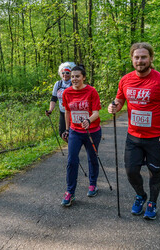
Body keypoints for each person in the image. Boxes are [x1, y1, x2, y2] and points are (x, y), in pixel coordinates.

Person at [108, 42, 160, 220]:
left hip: (156, 138)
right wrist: (114, 107)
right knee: (131, 171)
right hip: (133, 136)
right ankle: (140, 195)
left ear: (151, 58)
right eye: (137, 57)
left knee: (155, 171)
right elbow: (119, 100)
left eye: (143, 57)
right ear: (132, 59)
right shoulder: (125, 80)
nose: (140, 60)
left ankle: (152, 202)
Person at [61, 65, 102, 207]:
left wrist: (88, 120)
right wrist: (66, 130)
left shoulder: (91, 91)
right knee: (72, 160)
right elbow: (67, 111)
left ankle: (93, 184)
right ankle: (70, 192)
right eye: (72, 76)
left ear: (83, 77)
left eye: (77, 76)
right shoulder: (67, 92)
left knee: (92, 158)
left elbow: (96, 112)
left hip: (92, 131)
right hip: (75, 131)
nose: (74, 79)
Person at [45, 62, 76, 139]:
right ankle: (72, 147)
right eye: (63, 72)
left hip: (72, 113)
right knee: (62, 133)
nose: (65, 74)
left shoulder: (74, 84)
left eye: (67, 72)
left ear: (71, 73)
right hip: (62, 112)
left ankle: (73, 148)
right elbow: (54, 98)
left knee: (72, 133)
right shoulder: (58, 84)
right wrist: (50, 110)